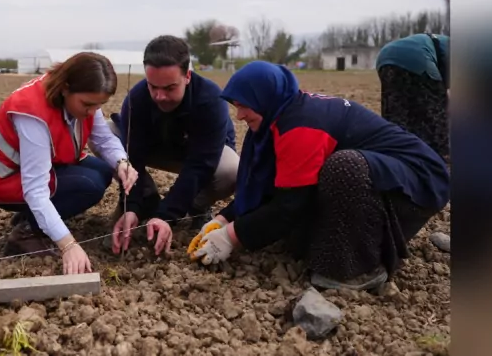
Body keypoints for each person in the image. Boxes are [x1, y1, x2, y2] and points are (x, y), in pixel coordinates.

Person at [188, 61, 450, 291]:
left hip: (415, 187)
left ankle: (360, 270)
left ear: (264, 99)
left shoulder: (300, 126)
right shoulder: (280, 116)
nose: (239, 115)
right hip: (381, 181)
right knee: (296, 241)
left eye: (245, 106)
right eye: (236, 106)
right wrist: (223, 220)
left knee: (344, 167)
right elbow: (269, 184)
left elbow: (289, 205)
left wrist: (231, 237)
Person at [0, 52, 138, 275]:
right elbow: (35, 189)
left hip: (37, 168)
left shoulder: (82, 95)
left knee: (102, 171)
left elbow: (102, 138)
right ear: (65, 87)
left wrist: (122, 163)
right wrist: (68, 245)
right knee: (88, 185)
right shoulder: (32, 113)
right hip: (4, 180)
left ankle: (31, 217)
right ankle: (26, 234)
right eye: (87, 105)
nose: (92, 112)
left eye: (99, 105)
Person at [108, 35, 239, 257]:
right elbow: (134, 156)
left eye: (169, 88)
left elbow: (200, 165)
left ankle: (197, 207)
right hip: (159, 149)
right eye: (153, 87)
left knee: (232, 169)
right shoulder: (138, 98)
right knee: (108, 134)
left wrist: (167, 215)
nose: (159, 96)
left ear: (187, 76)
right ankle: (147, 200)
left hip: (201, 155)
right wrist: (132, 206)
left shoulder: (210, 100)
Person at [376, 32, 450, 160]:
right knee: (434, 111)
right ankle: (439, 153)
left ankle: (395, 149)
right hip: (418, 58)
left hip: (385, 58)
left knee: (397, 111)